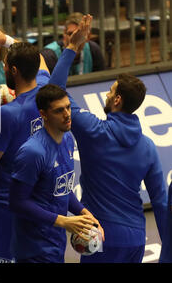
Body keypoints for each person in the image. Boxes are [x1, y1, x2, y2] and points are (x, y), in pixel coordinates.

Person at [0, 17, 91, 263]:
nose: (4, 67)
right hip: (43, 205)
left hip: (7, 207)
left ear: (13, 71)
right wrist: (6, 39)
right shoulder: (46, 90)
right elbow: (38, 59)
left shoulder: (8, 113)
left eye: (6, 65)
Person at [49, 14, 168, 263]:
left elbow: (55, 92)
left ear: (117, 100)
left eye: (111, 90)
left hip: (101, 237)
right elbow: (160, 201)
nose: (107, 93)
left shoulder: (94, 131)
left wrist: (72, 47)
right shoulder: (147, 147)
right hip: (136, 239)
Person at [9, 83, 103, 263]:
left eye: (68, 107)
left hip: (56, 243)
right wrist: (63, 221)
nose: (67, 114)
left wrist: (84, 212)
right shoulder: (32, 152)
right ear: (43, 114)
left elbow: (61, 189)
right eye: (59, 111)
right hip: (33, 249)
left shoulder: (67, 138)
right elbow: (17, 202)